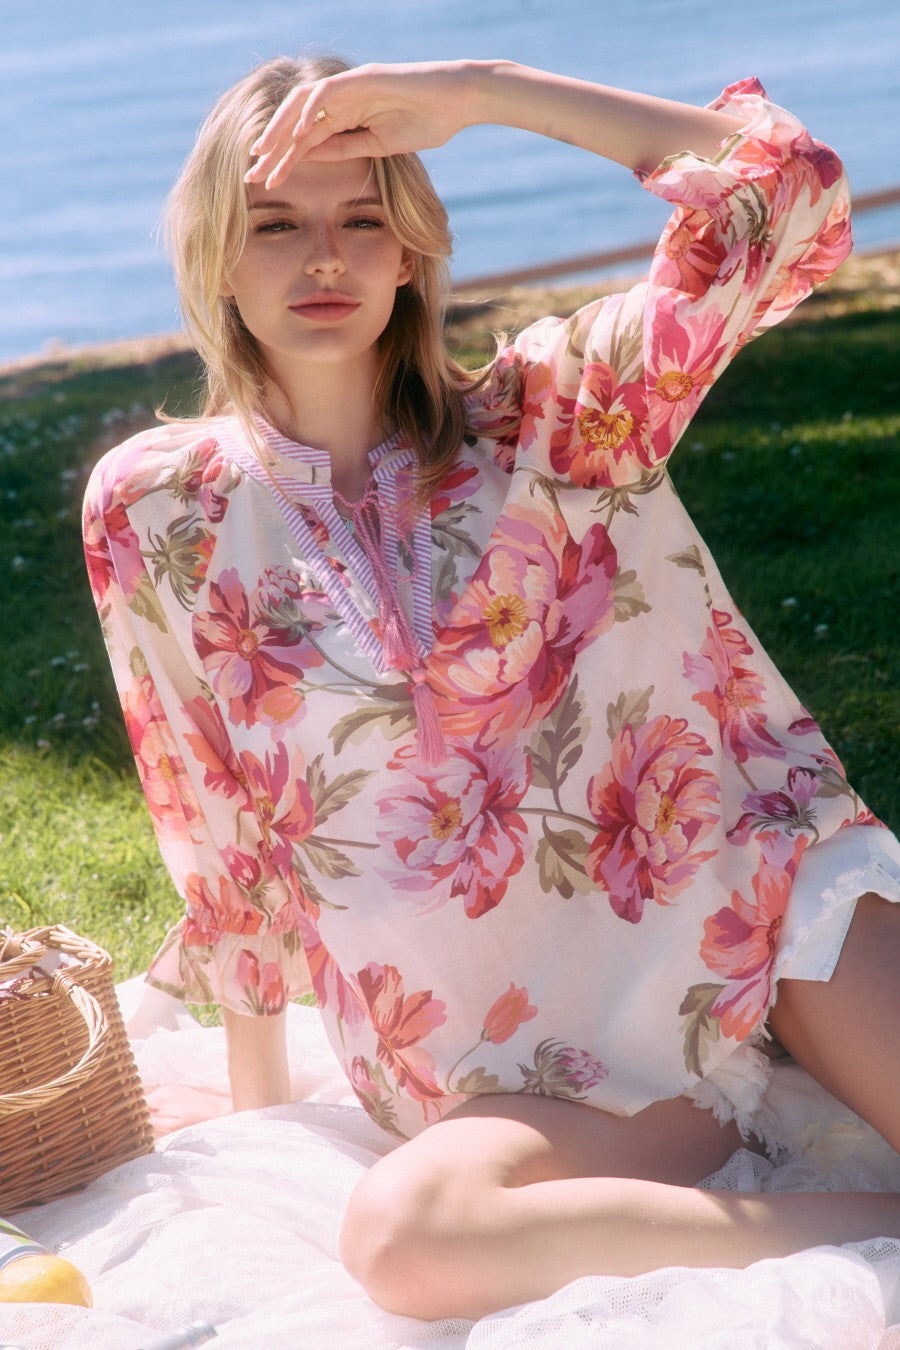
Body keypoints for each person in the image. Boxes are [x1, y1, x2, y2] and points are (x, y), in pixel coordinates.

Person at [83, 54, 900, 1322]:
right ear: (215, 256)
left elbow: (782, 196)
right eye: (276, 224)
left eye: (365, 219)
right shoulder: (157, 507)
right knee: (410, 1242)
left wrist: (480, 94)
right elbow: (224, 835)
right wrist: (260, 1139)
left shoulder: (557, 418)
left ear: (412, 251)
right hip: (521, 1067)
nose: (325, 258)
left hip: (766, 914)